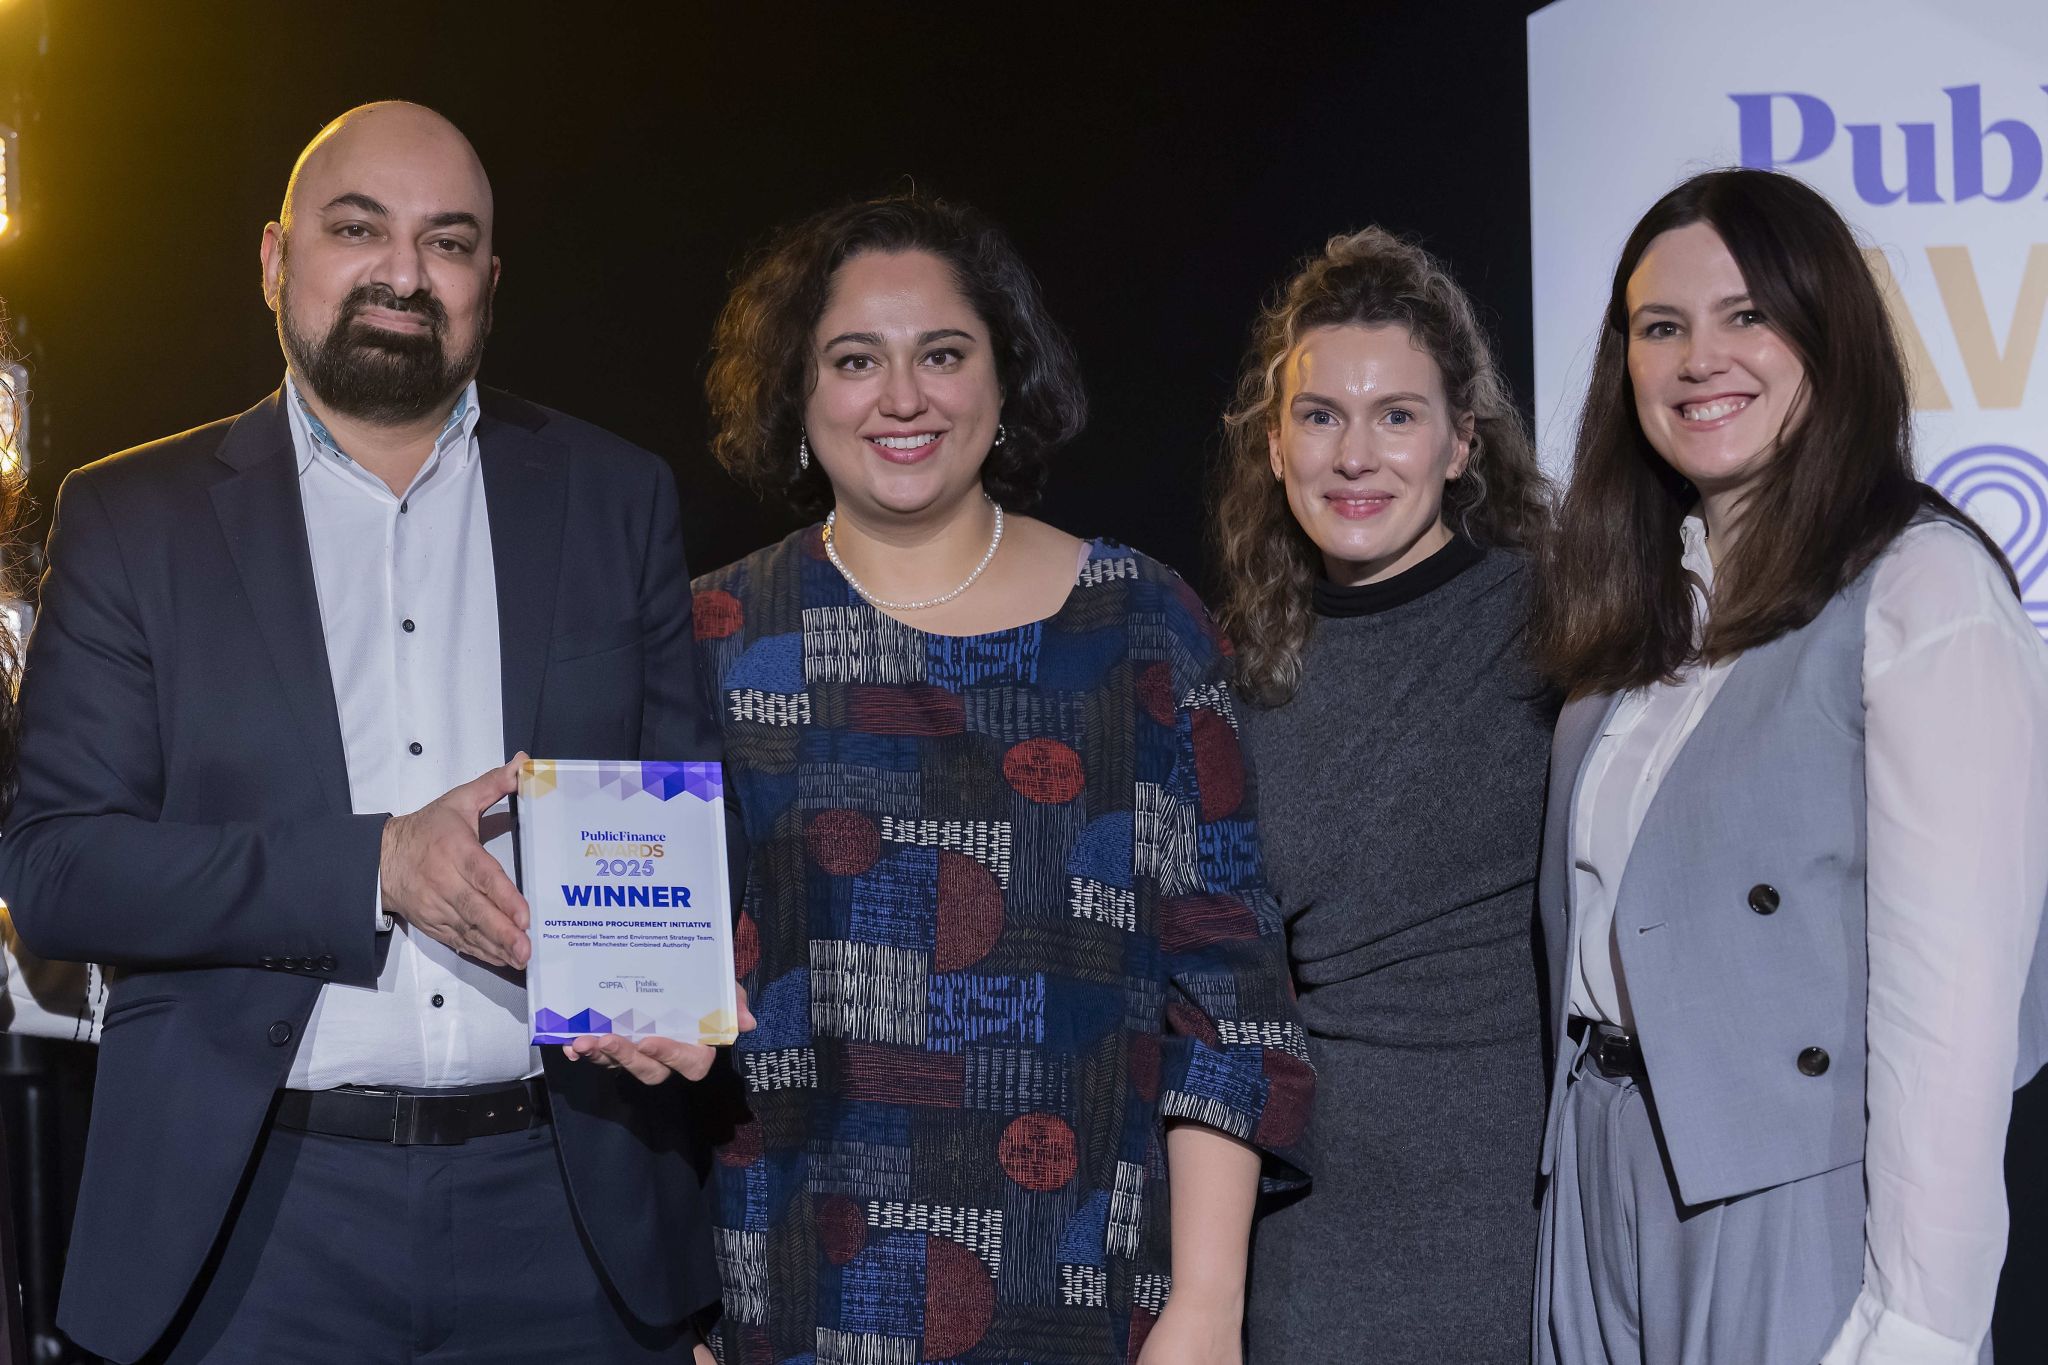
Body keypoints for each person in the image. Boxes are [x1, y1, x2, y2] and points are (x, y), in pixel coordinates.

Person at [0, 102, 736, 1364]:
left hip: (570, 1224)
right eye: (358, 230)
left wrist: (675, 984)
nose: (404, 272)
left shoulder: (614, 496)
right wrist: (375, 865)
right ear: (275, 258)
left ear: (488, 282)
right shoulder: (133, 517)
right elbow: (60, 870)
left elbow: (681, 818)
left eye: (447, 242)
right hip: (247, 1229)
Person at [692, 193, 1311, 1365]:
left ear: (1004, 376)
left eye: (942, 353)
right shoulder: (716, 638)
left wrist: (1205, 1309)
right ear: (796, 391)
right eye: (854, 360)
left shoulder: (1140, 627)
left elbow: (1227, 1001)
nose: (902, 397)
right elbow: (650, 1006)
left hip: (1092, 1311)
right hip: (791, 1311)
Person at [1528, 167, 2048, 1365]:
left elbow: (1950, 1010)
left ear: (1827, 334)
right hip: (1595, 1169)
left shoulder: (1921, 586)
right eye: (1660, 327)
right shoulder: (1631, 601)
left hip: (1791, 1188)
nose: (1698, 359)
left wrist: (1918, 1324)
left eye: (1746, 315)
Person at [1214, 228, 1553, 1362]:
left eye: (1396, 415)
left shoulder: (1561, 625)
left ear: (1462, 442)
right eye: (1321, 417)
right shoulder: (1237, 675)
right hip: (1308, 1238)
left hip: (1520, 1220)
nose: (1354, 455)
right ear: (1274, 446)